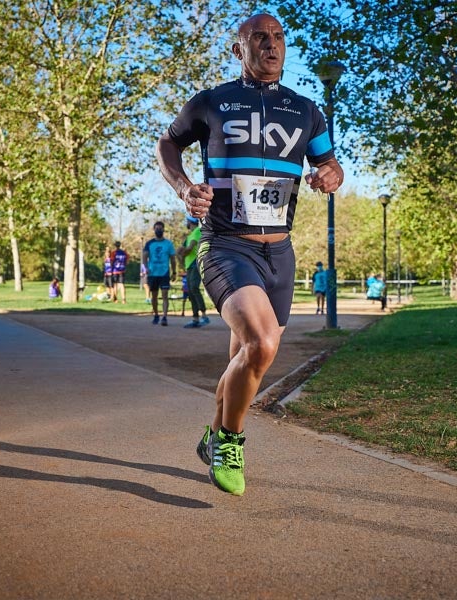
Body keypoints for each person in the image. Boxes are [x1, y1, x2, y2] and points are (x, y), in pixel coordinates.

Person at [156, 13, 343, 496]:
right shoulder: (212, 102)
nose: (271, 45)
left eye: (279, 37)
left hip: (279, 254)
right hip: (225, 245)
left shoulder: (306, 111)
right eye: (259, 37)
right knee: (262, 344)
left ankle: (211, 435)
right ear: (238, 49)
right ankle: (230, 439)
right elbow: (168, 142)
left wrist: (330, 175)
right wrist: (183, 187)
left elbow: (328, 162)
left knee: (246, 357)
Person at [142, 221, 177, 326]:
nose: (159, 230)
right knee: (154, 296)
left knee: (165, 295)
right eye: (157, 228)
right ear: (154, 229)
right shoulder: (149, 244)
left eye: (160, 228)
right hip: (153, 273)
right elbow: (144, 257)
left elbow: (173, 259)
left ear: (163, 230)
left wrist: (174, 271)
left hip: (164, 273)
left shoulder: (168, 244)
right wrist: (146, 268)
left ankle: (165, 317)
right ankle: (156, 314)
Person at [178, 216, 210, 328]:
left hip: (195, 263)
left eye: (186, 220)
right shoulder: (190, 235)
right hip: (190, 266)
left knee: (194, 288)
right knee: (190, 290)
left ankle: (204, 315)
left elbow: (190, 248)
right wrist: (181, 252)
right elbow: (182, 249)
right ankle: (195, 318)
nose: (186, 222)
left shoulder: (197, 231)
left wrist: (182, 253)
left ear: (190, 222)